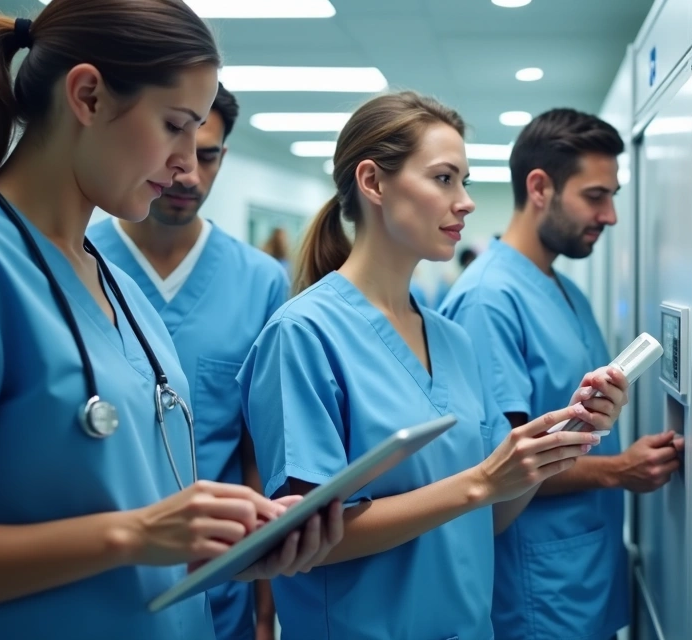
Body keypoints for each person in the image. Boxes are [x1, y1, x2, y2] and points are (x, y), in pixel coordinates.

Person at [0, 3, 340, 639]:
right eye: (175, 126)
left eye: (201, 139)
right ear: (88, 96)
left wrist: (230, 547)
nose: (185, 165)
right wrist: (133, 535)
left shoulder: (118, 290)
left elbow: (129, 530)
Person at [237, 91, 629, 639]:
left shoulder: (452, 340)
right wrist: (479, 483)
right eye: (445, 179)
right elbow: (301, 542)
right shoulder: (302, 335)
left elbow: (491, 515)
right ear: (373, 182)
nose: (466, 202)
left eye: (464, 181)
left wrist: (559, 442)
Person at [439, 108, 684, 640]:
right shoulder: (489, 300)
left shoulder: (565, 290)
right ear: (540, 187)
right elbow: (498, 467)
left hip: (582, 570)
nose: (611, 215)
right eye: (596, 196)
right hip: (532, 585)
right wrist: (618, 470)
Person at [86, 82, 285, 640]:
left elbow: (256, 453)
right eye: (177, 146)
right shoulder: (80, 258)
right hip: (97, 577)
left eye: (209, 155)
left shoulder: (261, 282)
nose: (189, 175)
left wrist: (265, 614)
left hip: (218, 587)